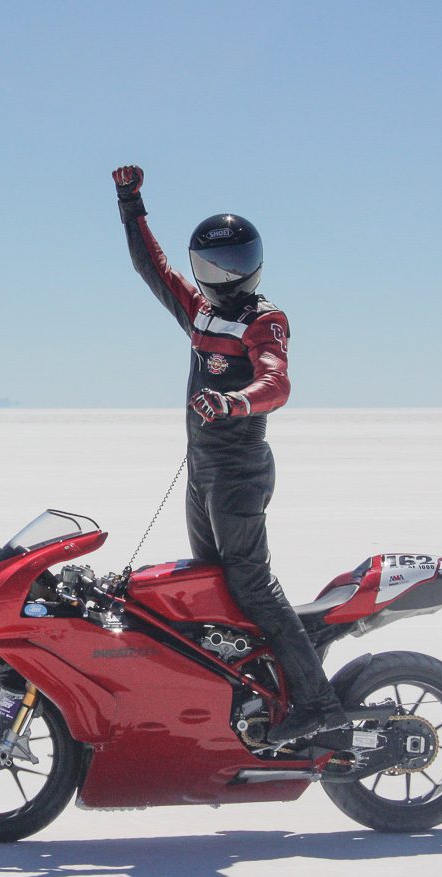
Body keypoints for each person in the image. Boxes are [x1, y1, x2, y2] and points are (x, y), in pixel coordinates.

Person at [112, 164, 346, 743]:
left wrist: (235, 403)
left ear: (255, 264)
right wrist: (130, 202)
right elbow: (152, 269)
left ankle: (317, 702)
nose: (224, 276)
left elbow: (278, 383)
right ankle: (250, 690)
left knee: (252, 584)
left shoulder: (263, 319)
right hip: (203, 471)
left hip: (239, 472)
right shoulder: (200, 312)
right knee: (214, 584)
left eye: (235, 264)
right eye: (213, 266)